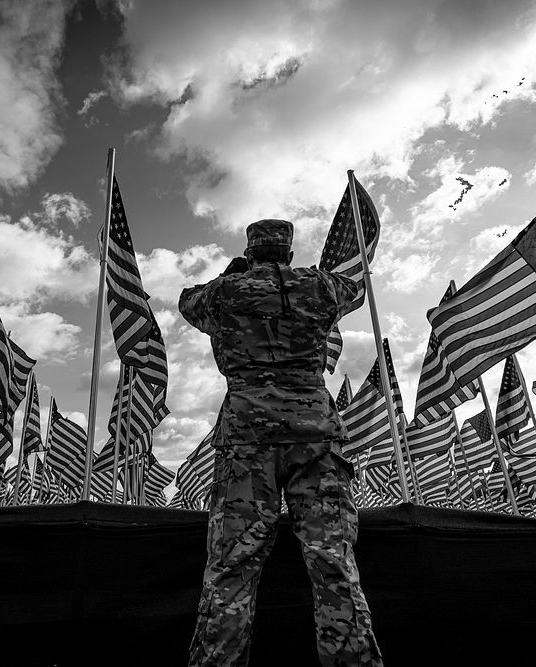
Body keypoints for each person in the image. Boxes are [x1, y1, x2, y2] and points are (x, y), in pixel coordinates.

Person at [179, 219, 383, 666]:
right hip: (315, 435)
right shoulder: (321, 287)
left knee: (232, 568)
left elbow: (187, 301)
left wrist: (232, 277)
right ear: (288, 252)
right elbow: (354, 287)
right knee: (334, 563)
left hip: (247, 439)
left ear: (250, 251)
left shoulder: (225, 293)